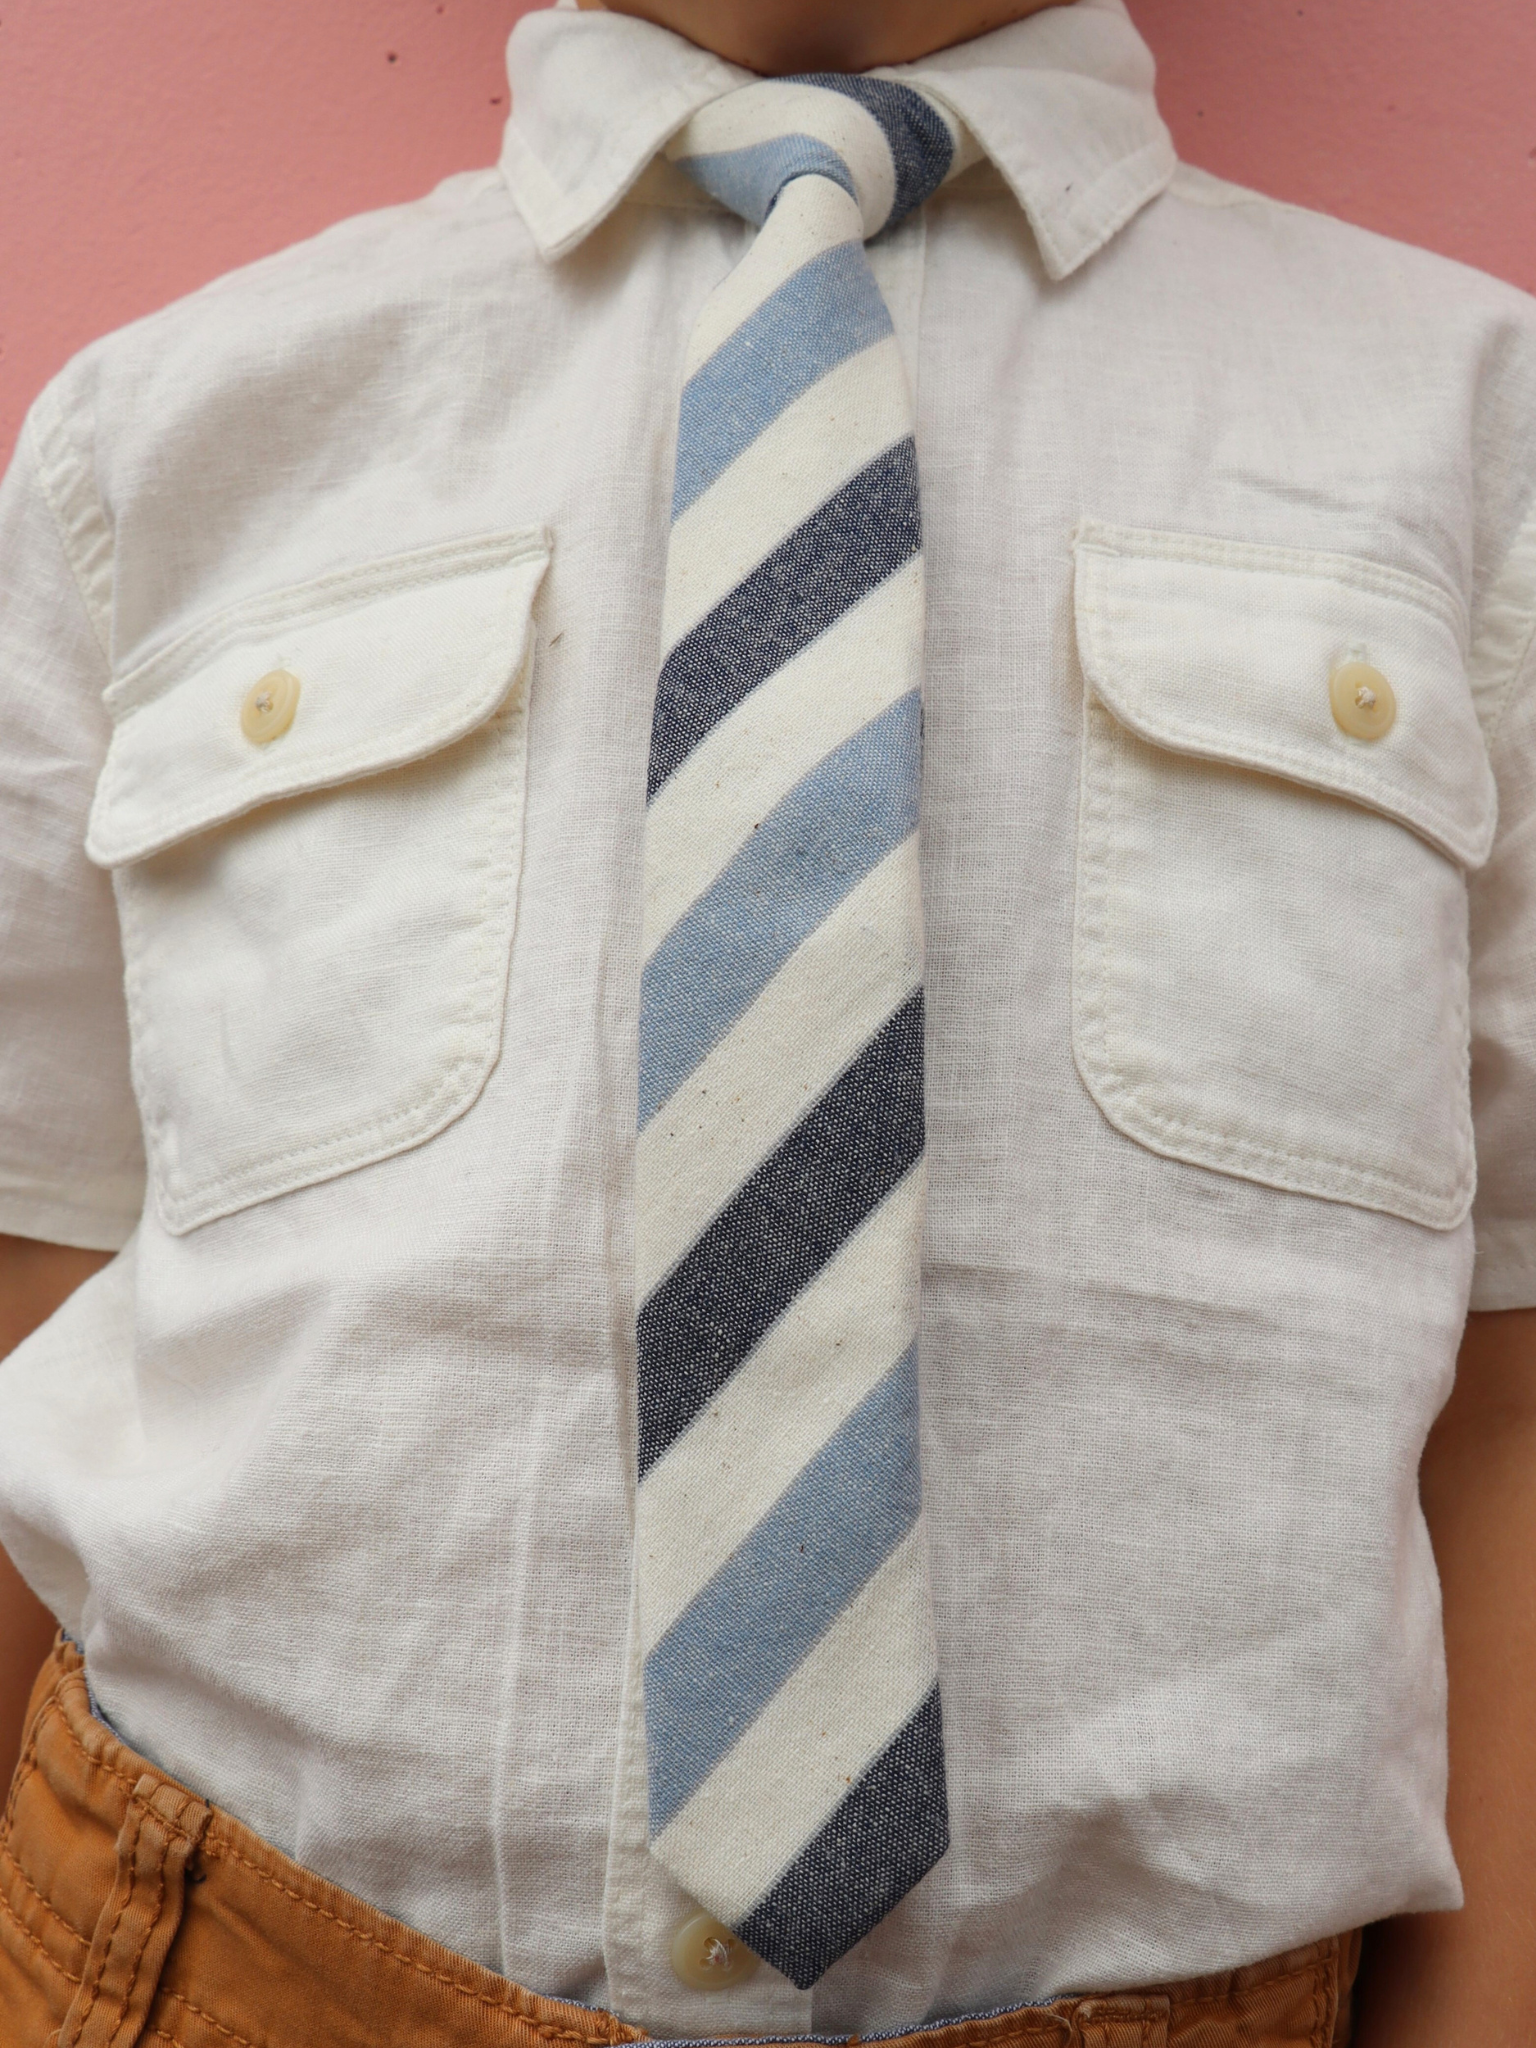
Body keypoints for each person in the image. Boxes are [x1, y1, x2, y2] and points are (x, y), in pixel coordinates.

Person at [1, 0, 1533, 2041]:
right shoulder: (168, 438)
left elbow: (1512, 1385)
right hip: (217, 1952)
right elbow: (40, 1275)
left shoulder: (1469, 438)